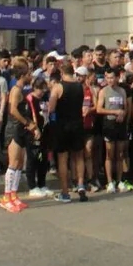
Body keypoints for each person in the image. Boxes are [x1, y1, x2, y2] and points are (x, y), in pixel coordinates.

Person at [48, 59, 86, 202]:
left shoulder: (58, 87)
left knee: (62, 159)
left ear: (62, 72)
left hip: (63, 125)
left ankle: (65, 192)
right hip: (77, 124)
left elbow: (51, 108)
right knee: (79, 156)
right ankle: (81, 184)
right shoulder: (80, 86)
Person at [1, 63, 36, 211]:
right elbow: (13, 110)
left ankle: (14, 195)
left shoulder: (21, 90)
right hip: (14, 129)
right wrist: (27, 123)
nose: (31, 76)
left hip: (21, 129)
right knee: (13, 163)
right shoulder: (15, 90)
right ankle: (6, 197)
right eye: (29, 74)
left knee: (20, 163)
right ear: (22, 76)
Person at [96, 66, 131, 193]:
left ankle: (120, 181)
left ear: (117, 78)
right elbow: (99, 109)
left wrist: (122, 114)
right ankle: (110, 182)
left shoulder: (122, 91)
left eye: (112, 78)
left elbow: (125, 107)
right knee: (109, 154)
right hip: (109, 124)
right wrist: (115, 112)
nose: (110, 80)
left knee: (120, 154)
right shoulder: (103, 91)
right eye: (107, 78)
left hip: (120, 125)